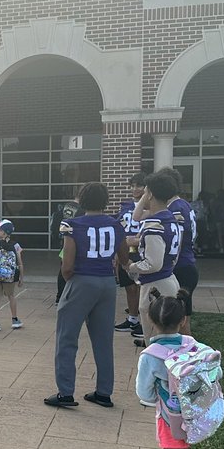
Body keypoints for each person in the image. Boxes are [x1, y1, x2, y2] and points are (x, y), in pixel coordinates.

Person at [46, 182, 127, 408]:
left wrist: (70, 280)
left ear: (81, 200)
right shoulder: (116, 224)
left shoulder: (72, 225)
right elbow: (124, 257)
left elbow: (68, 265)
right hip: (107, 283)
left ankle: (65, 392)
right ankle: (104, 392)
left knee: (67, 337)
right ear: (106, 201)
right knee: (103, 340)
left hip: (82, 280)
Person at [136, 288, 197, 449]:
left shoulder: (151, 356)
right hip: (194, 416)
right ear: (182, 320)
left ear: (151, 321)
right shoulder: (192, 346)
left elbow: (144, 393)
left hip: (171, 421)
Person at [127, 172, 181, 352]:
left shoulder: (154, 223)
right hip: (167, 278)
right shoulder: (170, 218)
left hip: (156, 285)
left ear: (149, 193)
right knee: (166, 343)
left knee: (157, 348)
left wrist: (131, 266)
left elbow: (152, 264)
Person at [155, 167, 199, 325]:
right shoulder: (184, 204)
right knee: (179, 312)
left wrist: (171, 262)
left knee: (178, 315)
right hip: (187, 262)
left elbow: (178, 238)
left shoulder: (176, 207)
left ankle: (186, 347)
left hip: (181, 265)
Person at [113, 172, 146, 342]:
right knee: (129, 286)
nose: (135, 189)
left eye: (138, 185)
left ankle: (144, 320)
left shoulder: (149, 207)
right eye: (132, 186)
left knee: (141, 286)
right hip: (127, 250)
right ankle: (132, 318)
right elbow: (121, 228)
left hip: (142, 252)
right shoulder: (125, 207)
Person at [0, 218, 24, 332]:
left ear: (4, 232)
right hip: (10, 277)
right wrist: (21, 277)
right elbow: (20, 262)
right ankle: (15, 319)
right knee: (11, 296)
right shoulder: (16, 246)